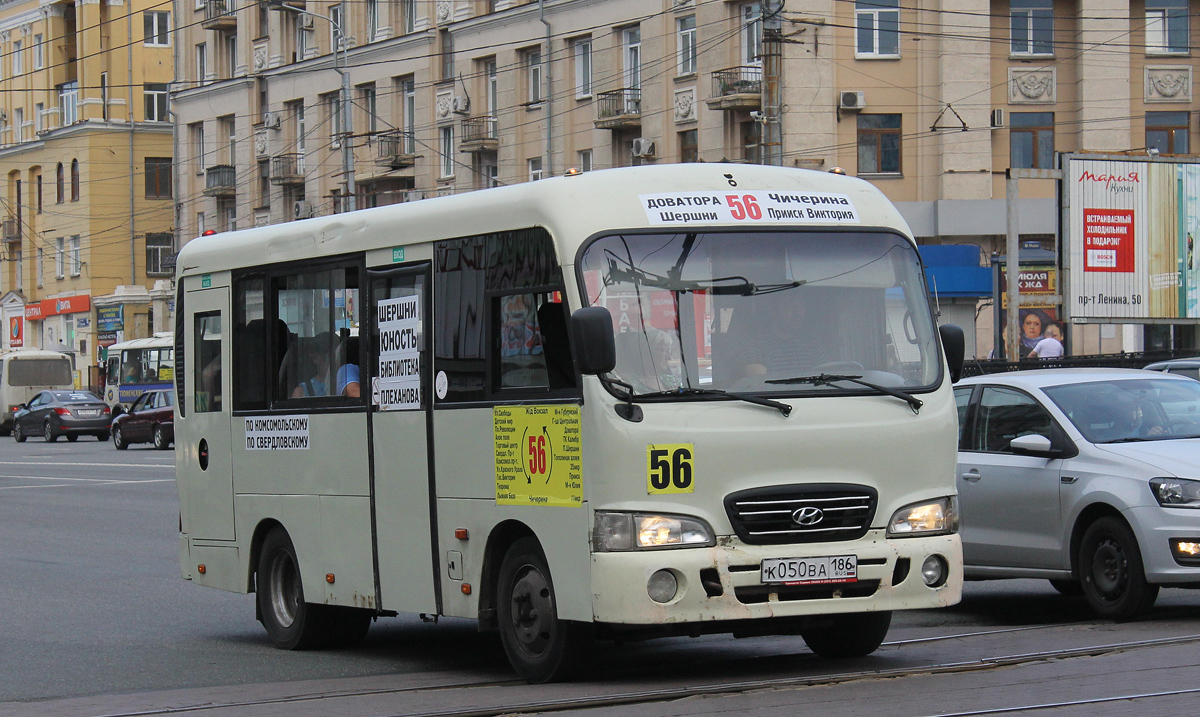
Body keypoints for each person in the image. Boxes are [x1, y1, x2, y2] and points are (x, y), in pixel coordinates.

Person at [292, 333, 333, 398]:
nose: (334, 363)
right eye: (328, 358)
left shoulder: (347, 387)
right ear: (315, 358)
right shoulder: (301, 392)